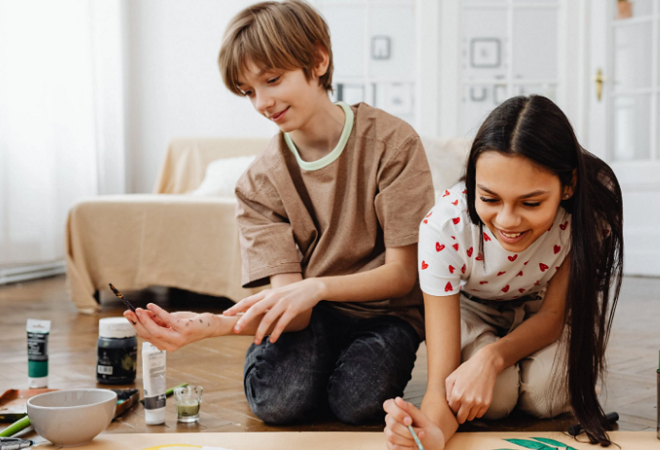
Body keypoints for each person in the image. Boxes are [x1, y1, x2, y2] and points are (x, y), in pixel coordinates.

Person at [125, 0, 434, 426]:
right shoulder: (258, 184)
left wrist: (317, 287)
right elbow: (295, 307)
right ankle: (305, 365)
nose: (262, 103)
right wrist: (208, 325)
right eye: (248, 91)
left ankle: (328, 369)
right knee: (278, 403)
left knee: (357, 404)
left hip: (385, 316)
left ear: (319, 60)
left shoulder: (392, 144)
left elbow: (403, 275)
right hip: (308, 317)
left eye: (272, 80)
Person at [382, 95, 623, 448]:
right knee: (494, 400)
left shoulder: (587, 212)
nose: (508, 221)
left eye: (531, 202)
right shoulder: (444, 226)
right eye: (490, 199)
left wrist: (491, 358)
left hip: (541, 310)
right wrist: (432, 433)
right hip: (474, 308)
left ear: (567, 186)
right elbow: (438, 385)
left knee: (545, 393)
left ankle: (526, 367)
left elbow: (554, 315)